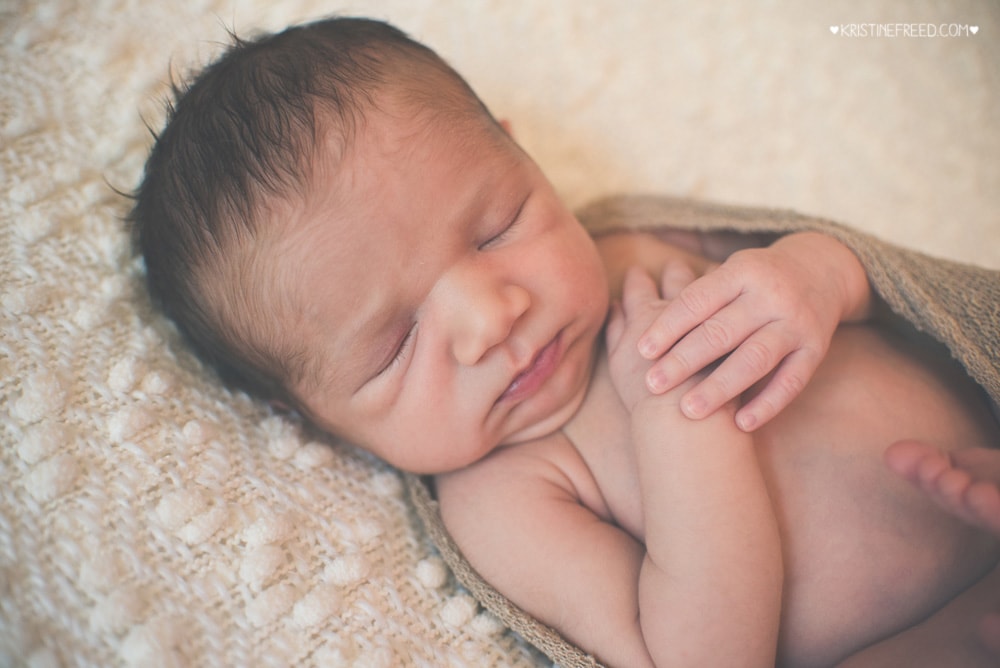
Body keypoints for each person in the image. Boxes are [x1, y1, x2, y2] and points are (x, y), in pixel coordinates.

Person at [128, 17, 1000, 667]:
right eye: (395, 346)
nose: (490, 318)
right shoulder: (503, 497)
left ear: (525, 160)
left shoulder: (628, 246)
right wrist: (681, 430)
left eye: (497, 226)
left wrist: (820, 276)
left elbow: (895, 293)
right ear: (309, 417)